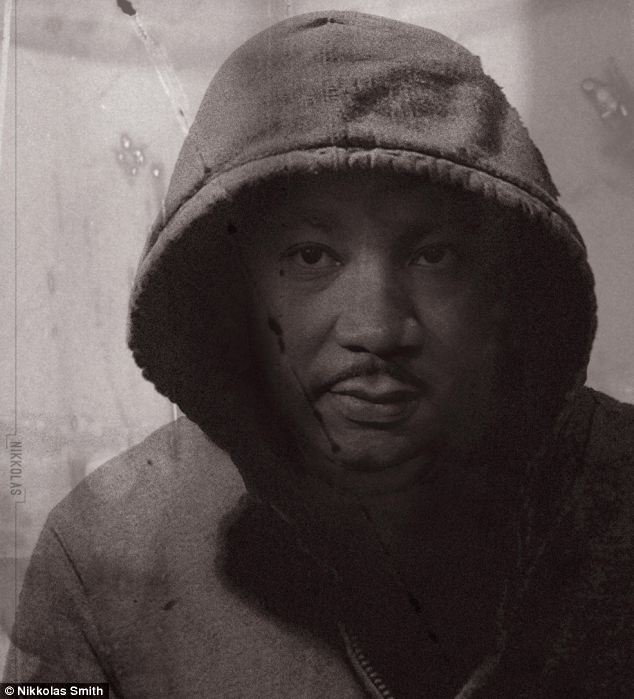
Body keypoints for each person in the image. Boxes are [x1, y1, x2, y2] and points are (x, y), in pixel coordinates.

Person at [4, 10, 634, 698]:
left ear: (505, 287)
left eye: (434, 255)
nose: (377, 328)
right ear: (230, 293)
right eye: (311, 256)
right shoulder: (107, 553)